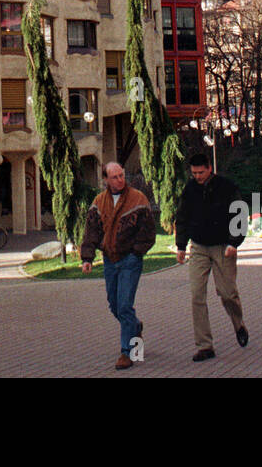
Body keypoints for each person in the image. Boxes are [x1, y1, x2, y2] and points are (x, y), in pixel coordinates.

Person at [80, 161, 157, 370]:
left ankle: (128, 352)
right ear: (105, 179)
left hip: (130, 260)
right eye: (114, 177)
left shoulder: (137, 199)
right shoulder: (99, 202)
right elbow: (92, 231)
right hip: (110, 260)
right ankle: (134, 326)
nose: (120, 180)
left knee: (124, 305)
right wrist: (87, 258)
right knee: (115, 305)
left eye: (122, 175)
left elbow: (149, 231)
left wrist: (136, 252)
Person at [174, 153, 249, 361]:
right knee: (197, 295)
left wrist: (234, 243)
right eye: (194, 173)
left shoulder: (227, 187)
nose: (198, 176)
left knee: (227, 293)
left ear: (209, 168)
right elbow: (182, 217)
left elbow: (240, 215)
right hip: (198, 247)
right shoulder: (190, 189)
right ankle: (204, 345)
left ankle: (239, 324)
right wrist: (181, 245)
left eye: (201, 172)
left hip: (223, 246)